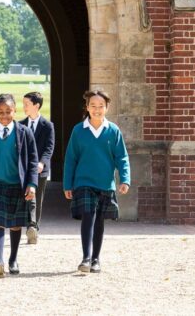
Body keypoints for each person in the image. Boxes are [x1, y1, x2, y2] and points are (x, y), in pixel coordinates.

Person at [63, 90, 130, 273]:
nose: (97, 109)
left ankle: (95, 259)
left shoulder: (113, 131)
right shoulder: (78, 131)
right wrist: (67, 184)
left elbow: (121, 157)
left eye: (101, 106)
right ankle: (85, 257)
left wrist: (125, 179)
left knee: (99, 221)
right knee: (88, 215)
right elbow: (71, 159)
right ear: (87, 107)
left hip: (105, 183)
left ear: (107, 108)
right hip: (83, 182)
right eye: (93, 105)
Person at [0, 94, 38, 278]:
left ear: (15, 110)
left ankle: (13, 259)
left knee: (15, 225)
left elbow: (33, 161)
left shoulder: (25, 132)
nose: (4, 116)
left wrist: (32, 184)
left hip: (17, 185)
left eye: (8, 111)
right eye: (0, 112)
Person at [20, 91, 55, 245]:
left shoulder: (47, 126)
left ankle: (33, 227)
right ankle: (30, 225)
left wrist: (42, 162)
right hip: (24, 170)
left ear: (37, 105)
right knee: (26, 198)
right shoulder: (20, 125)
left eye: (26, 104)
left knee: (36, 199)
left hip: (40, 170)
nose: (24, 107)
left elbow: (49, 147)